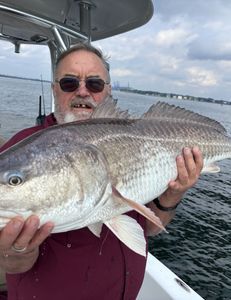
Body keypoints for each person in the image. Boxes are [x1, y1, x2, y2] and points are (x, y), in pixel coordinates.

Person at [0, 43, 203, 300]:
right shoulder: (23, 147)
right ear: (54, 89)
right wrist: (16, 250)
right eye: (69, 83)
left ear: (107, 91)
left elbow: (150, 229)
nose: (82, 91)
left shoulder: (136, 137)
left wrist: (173, 195)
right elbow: (8, 264)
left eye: (94, 84)